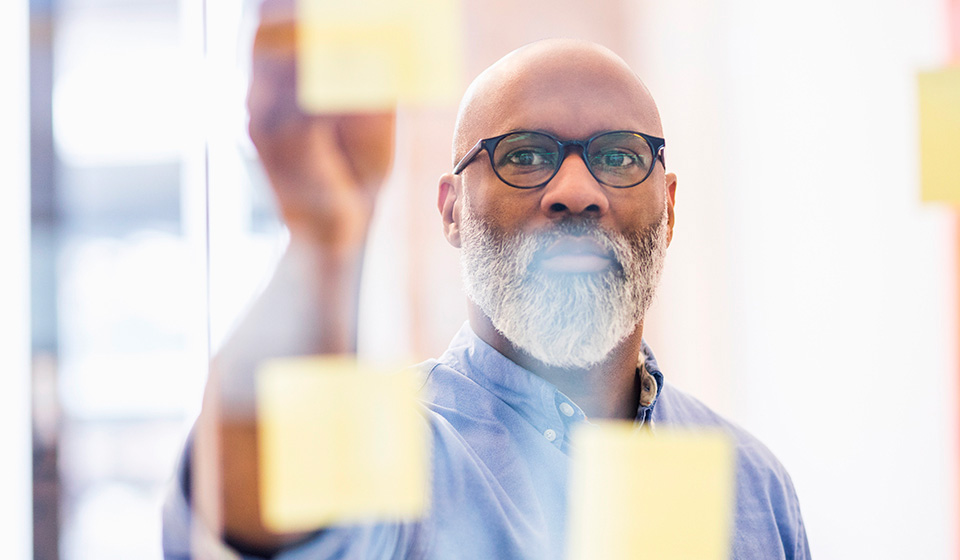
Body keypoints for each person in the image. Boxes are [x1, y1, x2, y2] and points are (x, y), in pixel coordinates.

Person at [163, 6, 811, 559]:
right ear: (451, 210)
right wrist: (324, 241)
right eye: (524, 155)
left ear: (668, 209)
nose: (577, 192)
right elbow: (257, 509)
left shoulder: (752, 486)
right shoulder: (395, 450)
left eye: (618, 156)